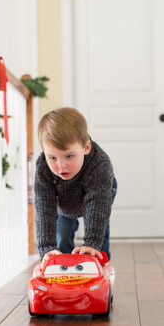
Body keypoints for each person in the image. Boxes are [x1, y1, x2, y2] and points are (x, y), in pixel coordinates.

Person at [34, 107, 117, 265]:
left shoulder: (100, 165)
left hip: (98, 195)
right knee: (63, 232)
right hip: (63, 200)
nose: (61, 166)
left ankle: (100, 263)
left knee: (100, 227)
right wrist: (47, 248)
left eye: (69, 156)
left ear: (86, 147)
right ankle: (63, 265)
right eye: (52, 157)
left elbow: (98, 204)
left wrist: (91, 243)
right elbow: (44, 207)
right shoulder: (44, 167)